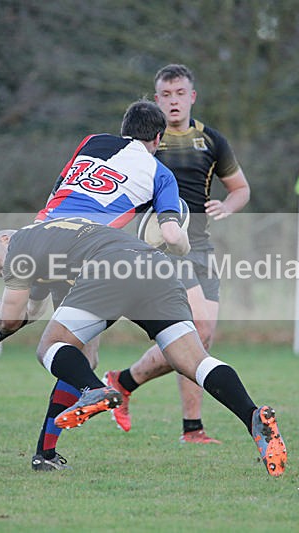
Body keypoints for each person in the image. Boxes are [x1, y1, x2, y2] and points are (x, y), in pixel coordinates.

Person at [0, 99, 190, 471]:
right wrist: (180, 242)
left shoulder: (89, 142)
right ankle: (55, 438)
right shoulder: (158, 170)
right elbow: (168, 231)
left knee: (41, 327)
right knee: (79, 354)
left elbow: (59, 193)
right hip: (87, 253)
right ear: (158, 137)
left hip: (47, 238)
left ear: (123, 129)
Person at [0, 218, 287, 477]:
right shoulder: (51, 240)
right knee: (192, 360)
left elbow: (8, 318)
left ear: (6, 240)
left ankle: (96, 390)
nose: (2, 273)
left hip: (111, 268)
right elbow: (28, 313)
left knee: (50, 347)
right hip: (155, 267)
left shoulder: (21, 245)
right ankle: (254, 417)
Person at [105, 64, 251, 444]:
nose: (173, 101)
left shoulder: (211, 140)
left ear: (192, 96)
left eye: (179, 93)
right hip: (162, 247)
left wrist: (228, 206)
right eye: (166, 95)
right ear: (156, 99)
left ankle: (143, 395)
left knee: (202, 339)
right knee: (196, 330)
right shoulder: (142, 142)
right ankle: (128, 386)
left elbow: (240, 188)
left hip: (200, 246)